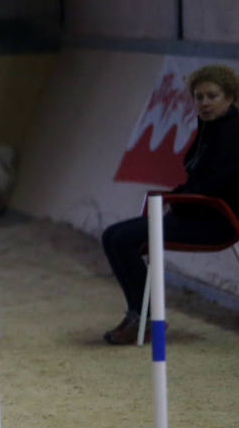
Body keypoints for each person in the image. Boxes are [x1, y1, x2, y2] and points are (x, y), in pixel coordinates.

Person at [100, 63, 239, 344]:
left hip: (217, 220)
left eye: (212, 96)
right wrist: (175, 196)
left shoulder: (232, 134)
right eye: (199, 97)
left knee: (122, 239)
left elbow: (214, 184)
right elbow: (198, 179)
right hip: (197, 212)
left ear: (230, 98)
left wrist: (176, 201)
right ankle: (139, 314)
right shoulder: (209, 127)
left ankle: (146, 319)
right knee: (112, 236)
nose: (204, 103)